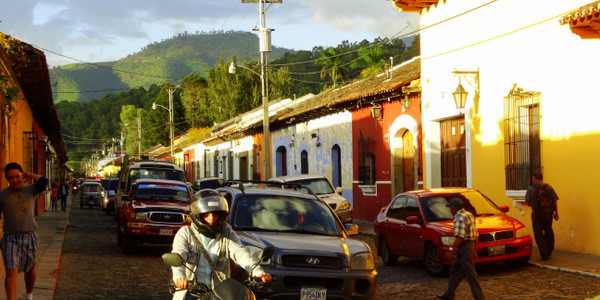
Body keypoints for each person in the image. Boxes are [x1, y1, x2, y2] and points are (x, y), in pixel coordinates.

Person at [170, 189, 272, 300]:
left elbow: (240, 253)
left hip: (220, 292)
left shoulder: (227, 232)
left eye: (215, 213)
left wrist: (258, 272)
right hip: (193, 291)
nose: (211, 217)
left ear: (221, 214)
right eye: (206, 214)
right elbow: (179, 255)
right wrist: (179, 277)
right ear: (198, 215)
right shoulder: (185, 233)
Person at [0, 162, 48, 300]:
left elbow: (44, 181)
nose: (14, 180)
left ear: (22, 175)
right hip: (10, 238)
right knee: (11, 271)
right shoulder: (2, 195)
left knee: (30, 269)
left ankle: (29, 295)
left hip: (29, 235)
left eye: (17, 176)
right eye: (11, 178)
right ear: (6, 179)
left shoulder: (31, 190)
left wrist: (29, 175)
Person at [437, 198, 486, 300]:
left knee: (471, 274)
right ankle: (449, 294)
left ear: (454, 208)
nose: (450, 210)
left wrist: (451, 250)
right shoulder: (469, 214)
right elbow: (475, 234)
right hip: (469, 246)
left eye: (450, 208)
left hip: (464, 248)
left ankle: (480, 298)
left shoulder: (459, 217)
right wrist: (474, 250)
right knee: (455, 270)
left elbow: (460, 237)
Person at [525, 171, 559, 261]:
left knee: (538, 234)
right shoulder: (548, 187)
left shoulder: (531, 189)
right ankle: (549, 251)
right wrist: (556, 213)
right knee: (549, 230)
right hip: (549, 212)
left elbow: (528, 202)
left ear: (534, 179)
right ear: (542, 179)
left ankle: (544, 254)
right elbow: (555, 201)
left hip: (537, 213)